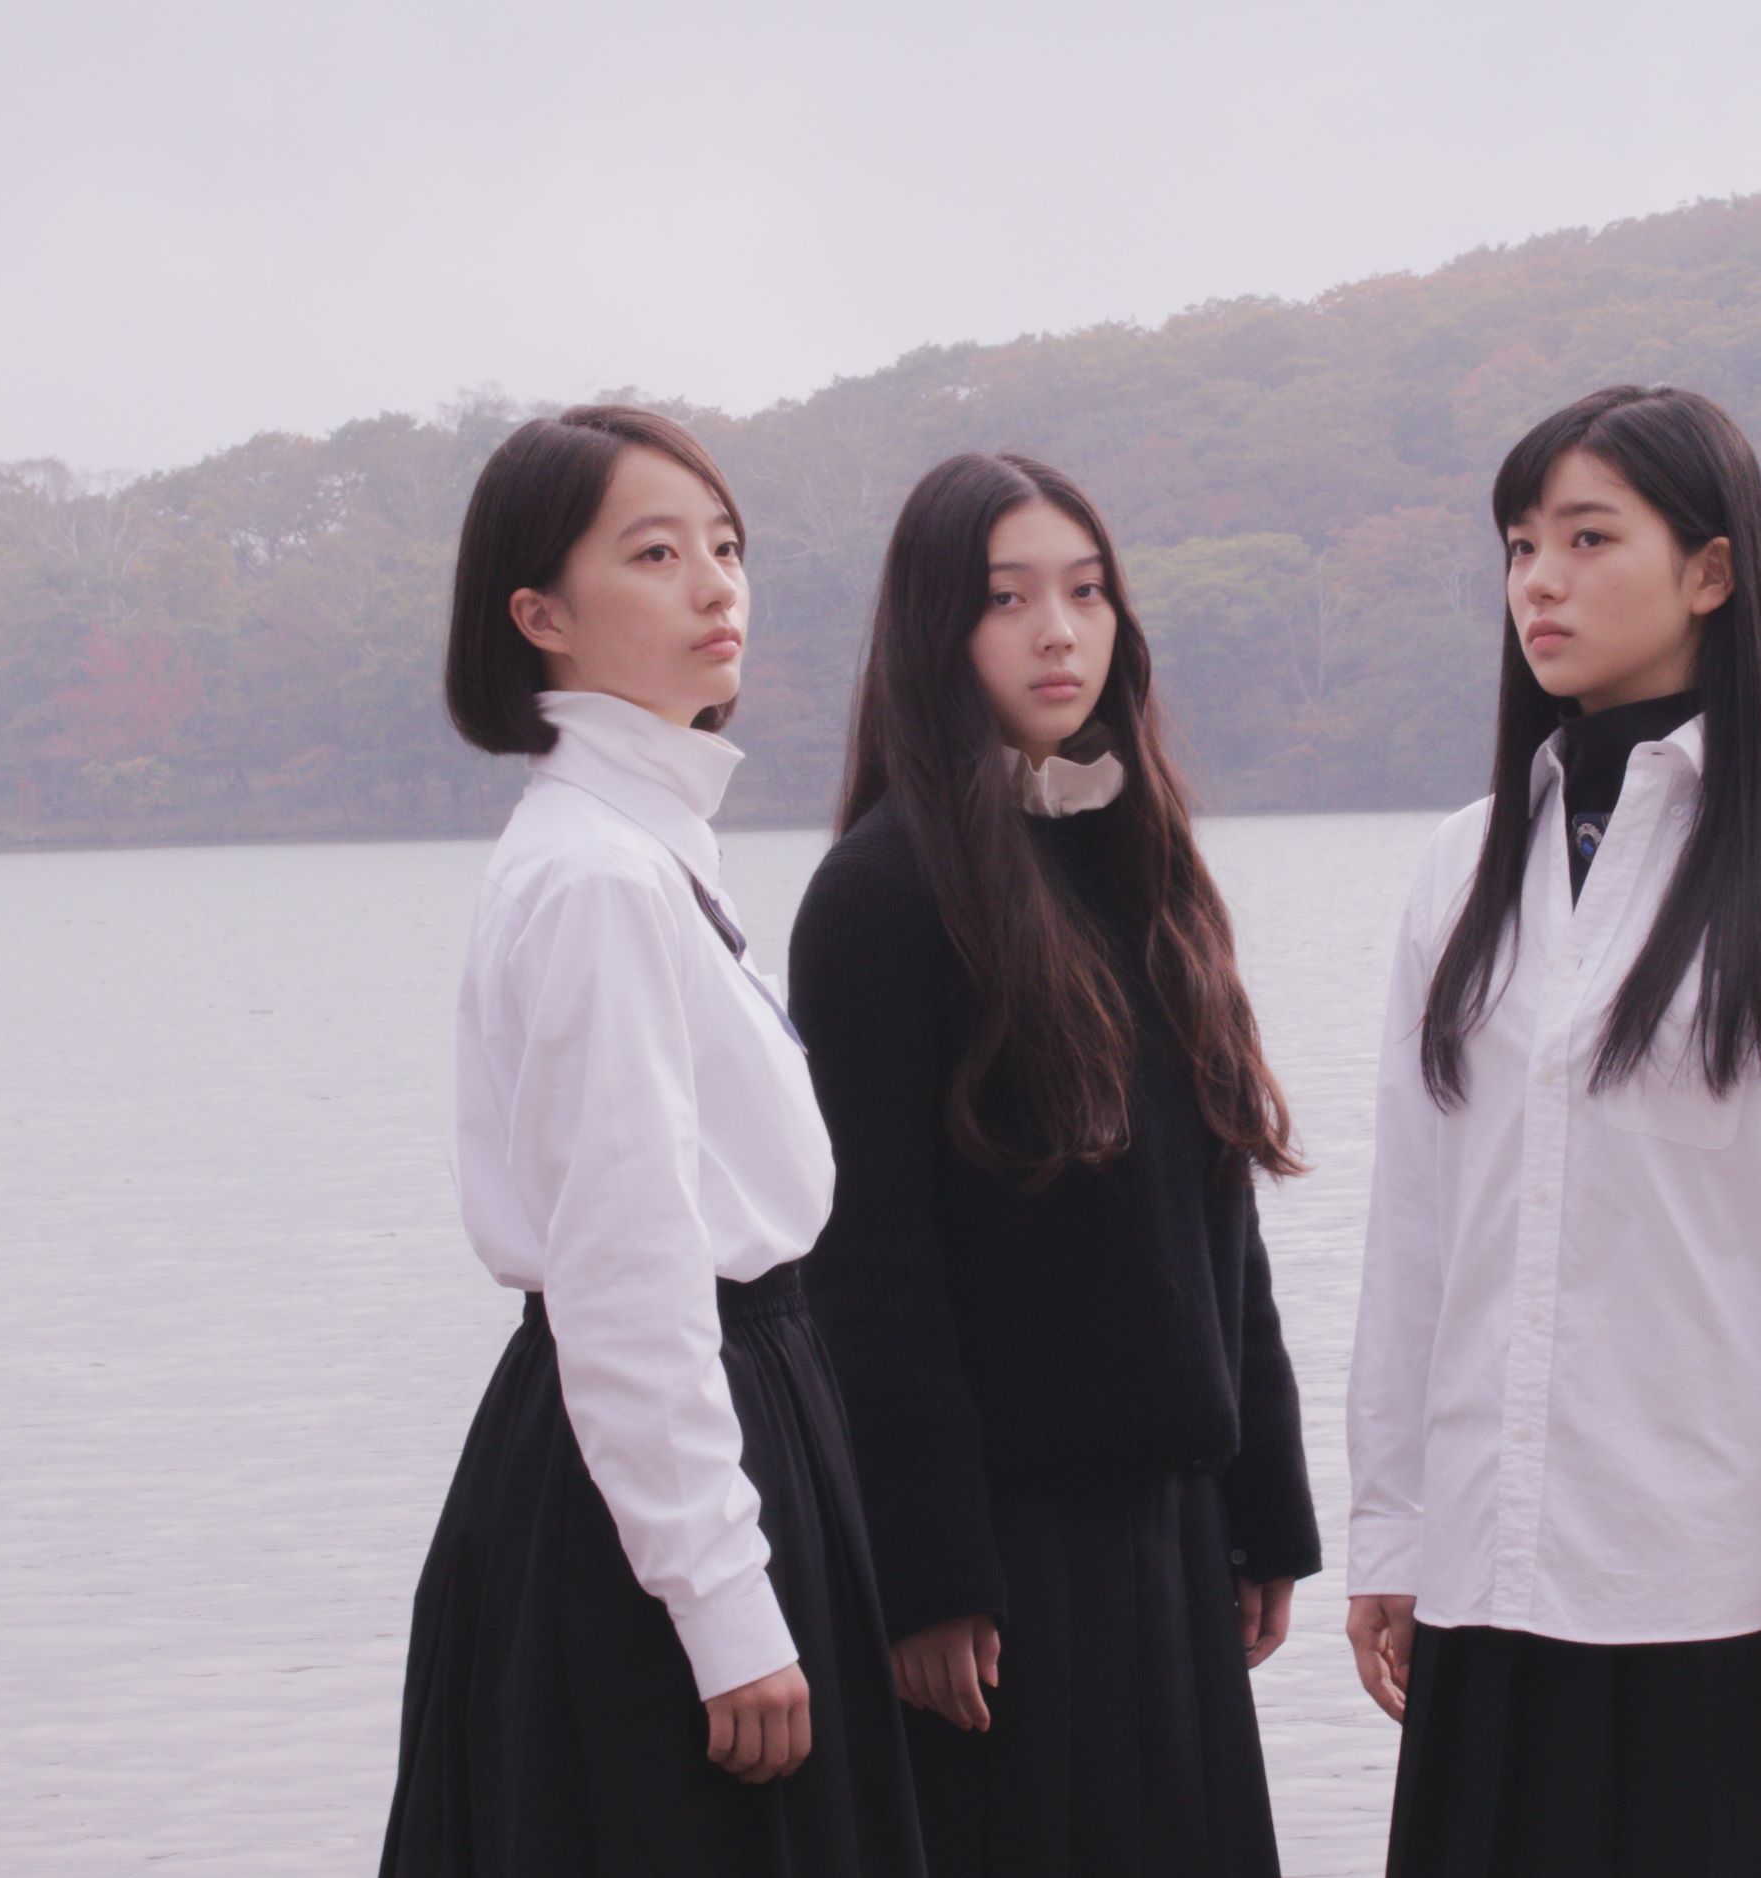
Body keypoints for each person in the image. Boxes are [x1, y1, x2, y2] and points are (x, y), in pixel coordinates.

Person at [1343, 385, 1761, 1875]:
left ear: (1711, 571)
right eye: (1518, 546)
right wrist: (1392, 1528)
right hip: (1489, 1573)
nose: (1537, 583)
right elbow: (1414, 1236)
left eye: (1587, 538)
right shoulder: (1461, 870)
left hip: (1715, 1593)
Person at [381, 405, 922, 1877]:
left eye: (727, 547)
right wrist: (723, 1603)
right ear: (540, 615)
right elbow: (624, 1272)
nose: (715, 585)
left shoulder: (644, 849)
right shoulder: (601, 880)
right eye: (656, 553)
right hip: (665, 1450)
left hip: (723, 1412)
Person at [786, 451, 1321, 1876]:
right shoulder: (880, 893)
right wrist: (928, 1577)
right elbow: (867, 1267)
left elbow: (1219, 1216)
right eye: (1009, 598)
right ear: (935, 629)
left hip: (1174, 1529)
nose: (1059, 633)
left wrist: (1265, 1508)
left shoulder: (1143, 859)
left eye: (1086, 593)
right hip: (1005, 1565)